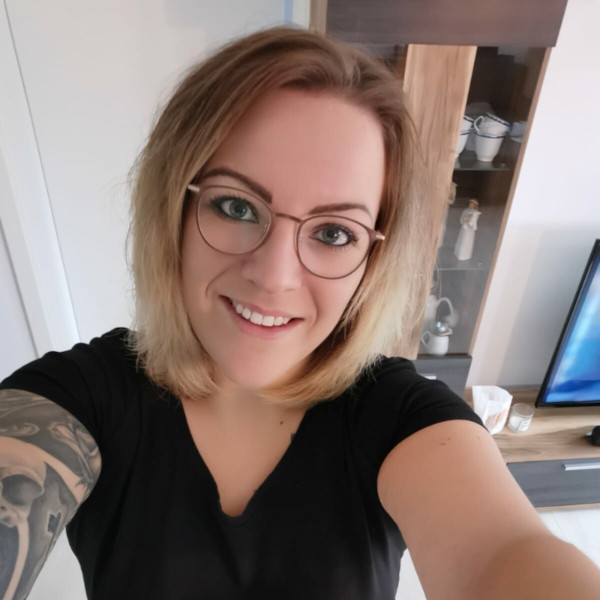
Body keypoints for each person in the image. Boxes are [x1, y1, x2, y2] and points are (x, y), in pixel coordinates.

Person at [1, 24, 599, 600]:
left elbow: (505, 554)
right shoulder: (81, 396)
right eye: (236, 206)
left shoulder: (400, 417)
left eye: (334, 233)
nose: (274, 276)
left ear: (373, 259)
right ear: (172, 210)